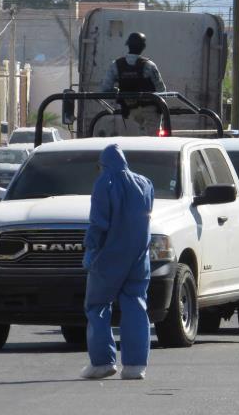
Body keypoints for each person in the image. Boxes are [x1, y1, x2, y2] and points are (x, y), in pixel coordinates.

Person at [80, 144, 154, 380]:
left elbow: (99, 222)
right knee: (135, 305)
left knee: (97, 306)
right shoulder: (145, 183)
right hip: (139, 257)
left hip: (110, 256)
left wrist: (91, 249)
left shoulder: (106, 183)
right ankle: (135, 366)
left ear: (103, 164)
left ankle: (102, 362)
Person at [100, 32, 166, 135]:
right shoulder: (149, 65)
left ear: (128, 45)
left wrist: (119, 94)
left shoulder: (116, 65)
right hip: (150, 112)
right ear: (143, 47)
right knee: (153, 143)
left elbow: (105, 89)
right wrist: (161, 109)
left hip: (130, 112)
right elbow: (162, 91)